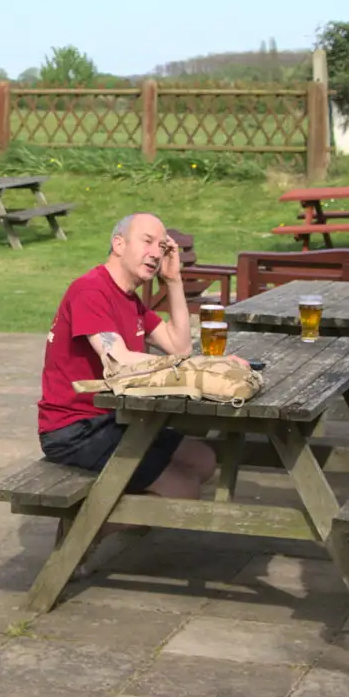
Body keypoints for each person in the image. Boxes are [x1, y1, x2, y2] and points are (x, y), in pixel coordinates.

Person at [37, 212, 219, 501]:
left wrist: (173, 281)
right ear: (119, 244)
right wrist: (198, 368)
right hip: (76, 429)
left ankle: (126, 510)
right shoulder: (90, 290)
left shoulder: (129, 299)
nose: (156, 253)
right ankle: (85, 530)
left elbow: (180, 347)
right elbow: (118, 360)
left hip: (115, 418)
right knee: (184, 491)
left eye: (162, 247)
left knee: (203, 459)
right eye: (147, 241)